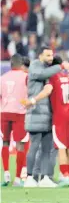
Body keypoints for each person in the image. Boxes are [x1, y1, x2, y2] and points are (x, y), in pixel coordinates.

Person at [22, 57, 69, 187]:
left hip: (59, 116)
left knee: (60, 148)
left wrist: (33, 100)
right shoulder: (65, 77)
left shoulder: (53, 77)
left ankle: (64, 176)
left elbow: (47, 90)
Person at [0, 54, 29, 187]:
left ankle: (6, 174)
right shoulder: (26, 77)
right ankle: (17, 178)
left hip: (5, 113)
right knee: (20, 144)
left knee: (5, 142)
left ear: (11, 64)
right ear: (21, 64)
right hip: (20, 113)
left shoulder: (3, 78)